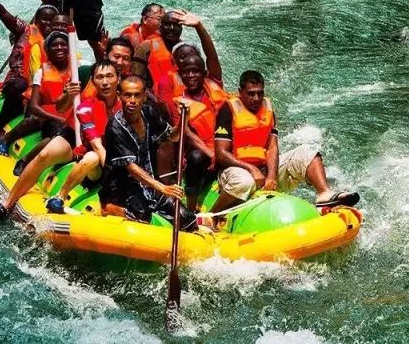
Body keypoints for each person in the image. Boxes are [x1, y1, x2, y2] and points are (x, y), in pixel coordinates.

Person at [211, 71, 360, 214]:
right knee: (245, 182)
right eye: (251, 93)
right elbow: (221, 153)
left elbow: (272, 148)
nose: (256, 98)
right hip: (236, 170)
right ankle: (212, 215)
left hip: (265, 169)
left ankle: (324, 195)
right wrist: (251, 169)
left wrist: (271, 177)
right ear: (240, 92)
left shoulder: (267, 109)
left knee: (308, 152)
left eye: (260, 93)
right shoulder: (227, 110)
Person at [0, 31, 81, 218]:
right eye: (55, 45)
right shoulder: (42, 71)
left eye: (63, 45)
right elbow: (35, 106)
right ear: (47, 50)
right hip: (48, 113)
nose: (60, 48)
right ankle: (22, 157)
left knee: (57, 131)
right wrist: (58, 117)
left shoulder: (78, 69)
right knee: (44, 127)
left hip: (70, 116)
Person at [99, 75, 196, 229]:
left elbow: (172, 136)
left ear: (144, 96)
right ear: (119, 96)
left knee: (188, 219)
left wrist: (184, 119)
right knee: (142, 220)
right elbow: (131, 168)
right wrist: (162, 187)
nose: (132, 100)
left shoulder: (149, 112)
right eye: (127, 95)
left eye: (137, 95)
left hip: (150, 184)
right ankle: (109, 208)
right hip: (122, 190)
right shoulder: (115, 127)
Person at [0, 0, 58, 147]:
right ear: (37, 20)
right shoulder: (24, 30)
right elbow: (3, 13)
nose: (48, 25)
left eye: (52, 21)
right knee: (20, 85)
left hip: (43, 86)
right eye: (44, 20)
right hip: (19, 80)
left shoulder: (58, 42)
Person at [46, 60, 122, 214]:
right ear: (93, 81)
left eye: (110, 76)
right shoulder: (85, 109)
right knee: (91, 157)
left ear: (118, 79)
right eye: (100, 78)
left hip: (123, 160)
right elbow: (97, 145)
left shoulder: (127, 104)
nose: (105, 82)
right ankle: (60, 197)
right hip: (99, 168)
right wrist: (114, 175)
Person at [171, 54, 228, 208]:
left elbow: (213, 58)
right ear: (180, 75)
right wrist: (212, 154)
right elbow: (187, 134)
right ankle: (191, 207)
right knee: (197, 157)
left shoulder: (214, 89)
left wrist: (199, 28)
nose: (190, 75)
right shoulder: (179, 101)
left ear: (204, 74)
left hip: (221, 149)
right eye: (186, 72)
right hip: (199, 158)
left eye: (195, 71)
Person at [136, 9, 221, 96]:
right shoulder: (147, 47)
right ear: (174, 62)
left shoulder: (210, 83)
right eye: (168, 24)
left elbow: (212, 58)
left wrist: (198, 26)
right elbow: (135, 79)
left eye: (176, 25)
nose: (172, 28)